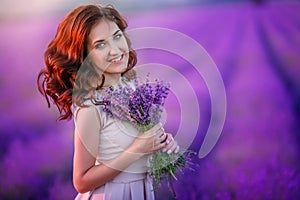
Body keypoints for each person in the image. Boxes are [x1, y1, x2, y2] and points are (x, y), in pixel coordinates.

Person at [37, 4, 179, 200]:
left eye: (117, 36)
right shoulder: (90, 105)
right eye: (100, 44)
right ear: (84, 56)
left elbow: (136, 141)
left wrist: (160, 143)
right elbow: (81, 180)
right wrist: (137, 149)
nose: (115, 50)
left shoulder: (132, 89)